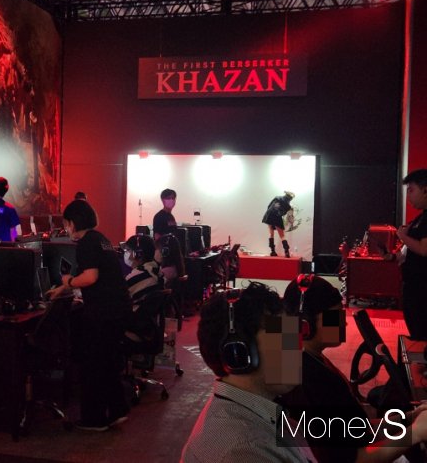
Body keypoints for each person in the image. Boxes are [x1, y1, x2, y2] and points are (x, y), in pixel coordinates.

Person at [279, 274, 427, 462]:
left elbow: (355, 428)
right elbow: (354, 459)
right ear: (305, 326)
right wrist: (416, 432)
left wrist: (408, 419)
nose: (344, 322)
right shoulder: (309, 382)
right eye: (335, 316)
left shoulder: (307, 360)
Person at [180, 282, 313, 463]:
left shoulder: (253, 413)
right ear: (238, 353)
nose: (299, 349)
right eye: (284, 337)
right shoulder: (246, 450)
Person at [49, 200, 131, 431]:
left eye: (66, 223)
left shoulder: (86, 243)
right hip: (118, 309)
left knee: (93, 365)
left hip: (103, 312)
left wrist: (69, 282)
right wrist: (63, 288)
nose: (66, 228)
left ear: (74, 222)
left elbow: (91, 277)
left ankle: (94, 419)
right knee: (108, 362)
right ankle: (117, 410)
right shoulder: (100, 239)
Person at [397, 169, 427, 341]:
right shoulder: (420, 218)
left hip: (422, 289)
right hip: (413, 286)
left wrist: (403, 236)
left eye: (411, 190)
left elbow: (424, 250)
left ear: (425, 190)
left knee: (421, 334)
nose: (408, 196)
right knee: (416, 333)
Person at [122, 234, 163, 343]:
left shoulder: (139, 275)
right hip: (148, 329)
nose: (125, 253)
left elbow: (116, 297)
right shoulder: (155, 270)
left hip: (133, 329)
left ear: (138, 254)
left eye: (128, 250)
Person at [262, 191, 295, 257]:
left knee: (271, 233)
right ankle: (286, 251)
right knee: (282, 235)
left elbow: (269, 206)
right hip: (277, 216)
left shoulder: (277, 197)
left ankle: (272, 251)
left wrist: (270, 213)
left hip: (269, 214)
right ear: (290, 199)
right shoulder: (288, 206)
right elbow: (283, 213)